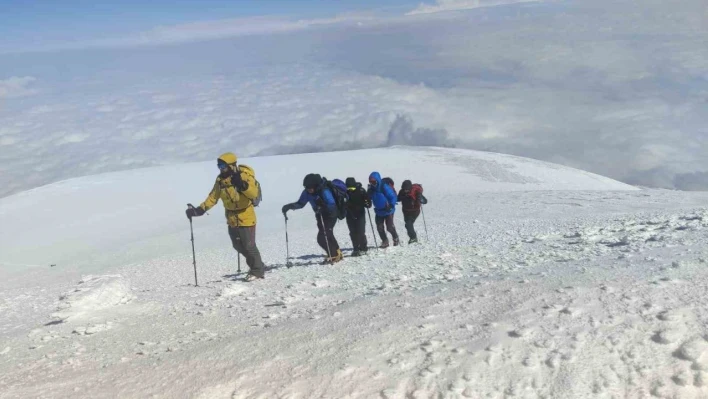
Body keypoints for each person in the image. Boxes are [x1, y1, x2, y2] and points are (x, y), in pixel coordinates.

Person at [185, 152, 265, 282]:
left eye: (223, 166)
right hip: (231, 218)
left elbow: (253, 193)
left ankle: (257, 271)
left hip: (246, 216)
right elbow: (213, 197)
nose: (221, 169)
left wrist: (242, 185)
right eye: (219, 166)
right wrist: (199, 210)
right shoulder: (220, 181)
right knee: (238, 246)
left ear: (232, 165)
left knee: (249, 245)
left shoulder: (244, 176)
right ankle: (258, 264)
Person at [281, 174, 343, 264]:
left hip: (330, 215)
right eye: (306, 187)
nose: (308, 189)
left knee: (322, 237)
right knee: (327, 234)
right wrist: (289, 206)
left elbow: (332, 205)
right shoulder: (306, 192)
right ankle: (337, 253)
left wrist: (322, 206)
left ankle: (333, 255)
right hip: (319, 215)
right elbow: (301, 204)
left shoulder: (324, 191)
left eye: (310, 187)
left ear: (316, 185)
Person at [367, 171, 399, 248]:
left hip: (388, 210)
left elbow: (393, 196)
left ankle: (395, 237)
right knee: (379, 227)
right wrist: (367, 198)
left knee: (389, 227)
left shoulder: (384, 186)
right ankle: (385, 241)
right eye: (370, 181)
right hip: (378, 211)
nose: (372, 183)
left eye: (373, 181)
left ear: (377, 179)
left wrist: (391, 205)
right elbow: (369, 198)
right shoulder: (371, 188)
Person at [345, 177, 371, 256]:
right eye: (349, 188)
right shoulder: (344, 192)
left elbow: (369, 203)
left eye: (352, 188)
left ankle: (363, 247)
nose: (350, 190)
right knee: (353, 233)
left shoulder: (361, 191)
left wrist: (367, 203)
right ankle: (355, 248)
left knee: (361, 232)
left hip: (360, 214)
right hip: (349, 215)